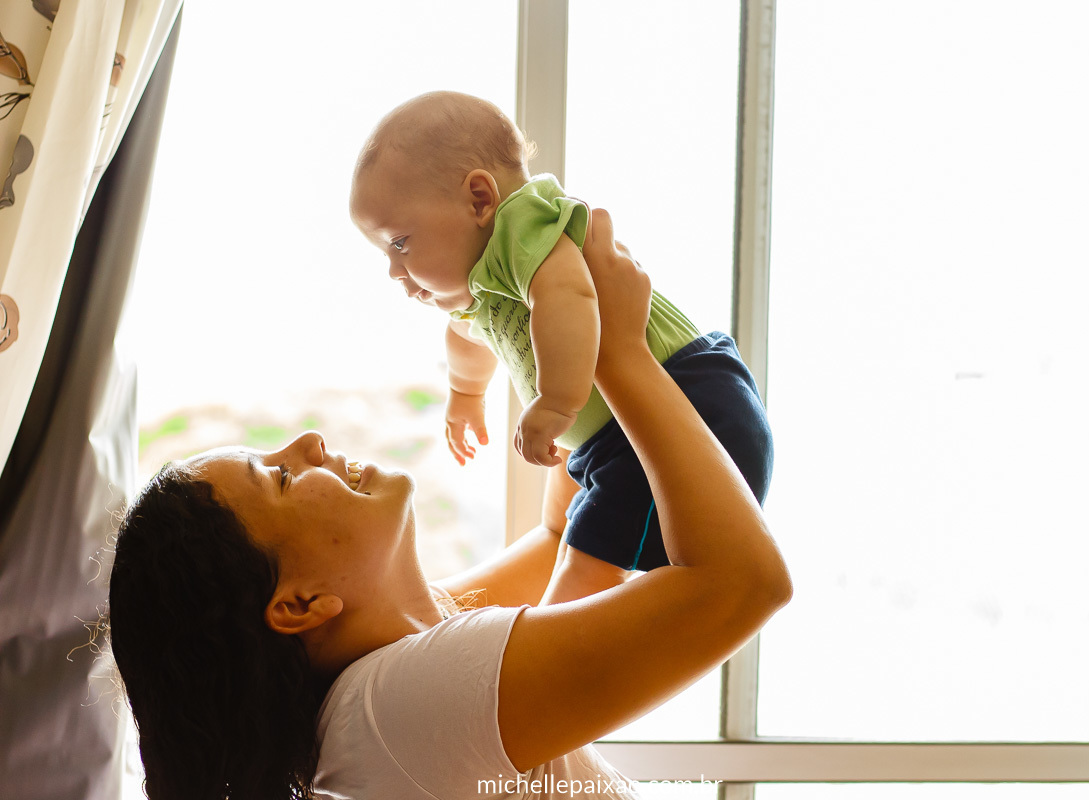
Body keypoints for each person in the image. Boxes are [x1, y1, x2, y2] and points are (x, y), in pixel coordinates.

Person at [105, 209, 792, 800]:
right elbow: (742, 585)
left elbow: (561, 534)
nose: (309, 442)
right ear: (298, 604)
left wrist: (554, 344)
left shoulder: (389, 678)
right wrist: (620, 355)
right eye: (279, 478)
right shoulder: (400, 707)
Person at [349, 91, 774, 605]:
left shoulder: (523, 226)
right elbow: (466, 336)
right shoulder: (480, 283)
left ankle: (550, 648)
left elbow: (569, 297)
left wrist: (554, 402)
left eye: (399, 243)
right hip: (619, 438)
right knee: (581, 547)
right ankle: (542, 636)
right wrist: (466, 395)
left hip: (691, 404)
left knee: (586, 562)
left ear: (480, 199)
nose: (395, 272)